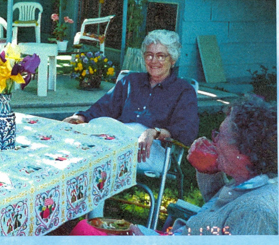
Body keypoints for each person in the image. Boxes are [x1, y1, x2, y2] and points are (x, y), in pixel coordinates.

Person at [64, 29, 198, 171]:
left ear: (172, 59)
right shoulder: (131, 82)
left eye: (161, 56)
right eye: (149, 55)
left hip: (152, 149)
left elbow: (186, 130)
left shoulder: (183, 90)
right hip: (118, 139)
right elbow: (104, 107)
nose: (154, 61)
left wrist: (155, 132)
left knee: (94, 144)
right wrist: (80, 117)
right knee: (95, 126)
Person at [173, 95, 278, 235]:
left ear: (243, 151)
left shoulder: (255, 213)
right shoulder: (247, 182)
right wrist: (209, 172)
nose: (214, 140)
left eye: (220, 135)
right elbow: (219, 210)